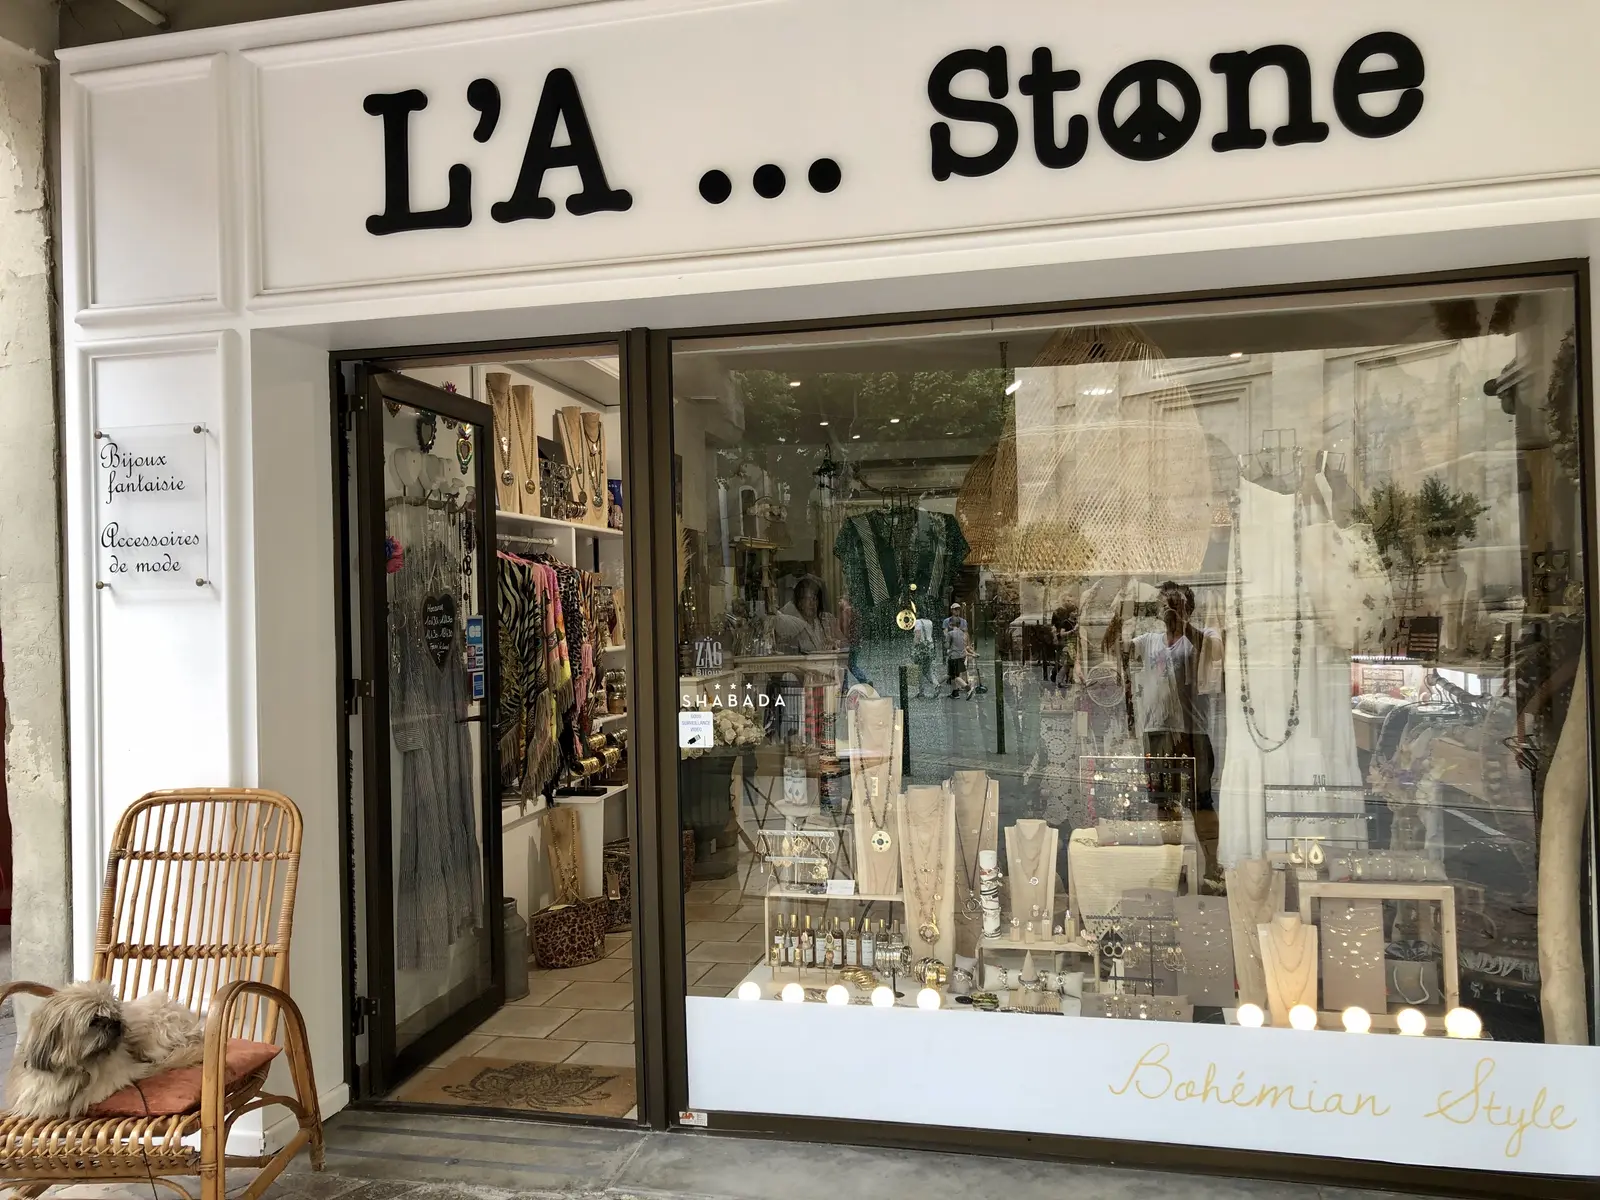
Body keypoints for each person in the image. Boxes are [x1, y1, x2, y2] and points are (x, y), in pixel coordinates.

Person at [772, 575, 841, 654]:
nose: (812, 603)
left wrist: (836, 643)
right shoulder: (792, 625)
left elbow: (846, 643)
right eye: (807, 599)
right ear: (799, 602)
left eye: (814, 599)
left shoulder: (828, 619)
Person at [945, 614, 972, 698]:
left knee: (955, 677)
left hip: (953, 657)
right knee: (954, 676)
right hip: (960, 657)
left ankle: (968, 688)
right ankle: (955, 693)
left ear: (950, 624)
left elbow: (947, 646)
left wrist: (946, 640)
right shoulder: (962, 633)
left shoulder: (950, 634)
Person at [911, 612, 937, 697]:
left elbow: (918, 635)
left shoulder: (918, 622)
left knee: (920, 670)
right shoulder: (929, 622)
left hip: (921, 649)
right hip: (930, 647)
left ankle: (921, 692)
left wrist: (914, 646)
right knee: (928, 669)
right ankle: (936, 684)